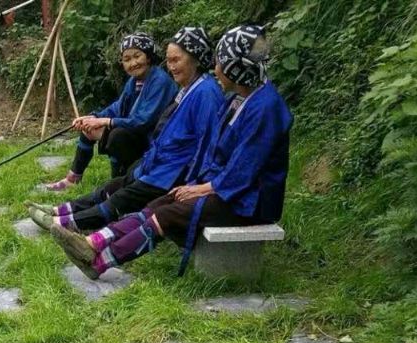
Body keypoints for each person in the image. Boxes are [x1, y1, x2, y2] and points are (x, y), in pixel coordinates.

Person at [48, 24, 294, 280]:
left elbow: (245, 168)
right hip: (223, 186)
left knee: (167, 214)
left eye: (221, 62)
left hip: (248, 200)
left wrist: (202, 187)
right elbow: (216, 151)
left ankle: (100, 261)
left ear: (237, 66)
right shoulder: (238, 99)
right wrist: (198, 182)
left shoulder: (264, 108)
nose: (216, 68)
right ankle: (93, 242)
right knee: (160, 203)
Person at [28, 26, 221, 234]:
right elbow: (118, 107)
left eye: (176, 60)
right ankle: (61, 210)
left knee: (123, 191)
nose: (171, 66)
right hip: (158, 160)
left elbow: (205, 143)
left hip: (170, 168)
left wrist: (196, 183)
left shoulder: (203, 92)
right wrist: (94, 117)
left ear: (195, 59)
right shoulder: (185, 87)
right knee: (115, 186)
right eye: (169, 60)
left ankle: (68, 223)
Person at [43, 32, 178, 190]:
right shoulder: (134, 81)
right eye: (127, 59)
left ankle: (120, 179)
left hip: (154, 142)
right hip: (139, 135)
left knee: (117, 136)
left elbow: (143, 121)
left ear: (148, 57)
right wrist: (93, 117)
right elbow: (118, 108)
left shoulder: (160, 81)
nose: (133, 63)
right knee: (90, 127)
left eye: (137, 56)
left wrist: (106, 121)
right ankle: (72, 178)